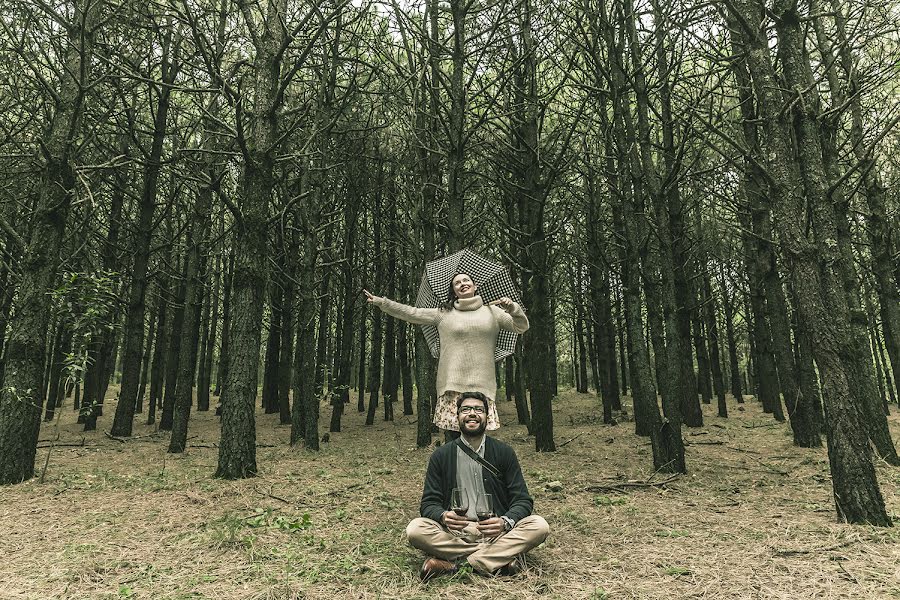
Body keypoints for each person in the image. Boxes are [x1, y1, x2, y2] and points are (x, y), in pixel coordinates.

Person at [405, 391, 549, 580]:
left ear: (487, 417)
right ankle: (497, 560)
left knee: (539, 525)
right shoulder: (441, 456)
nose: (472, 413)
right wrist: (443, 516)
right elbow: (428, 503)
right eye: (466, 409)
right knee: (415, 529)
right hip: (455, 533)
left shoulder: (504, 452)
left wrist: (504, 522)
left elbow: (522, 500)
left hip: (494, 532)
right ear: (457, 417)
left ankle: (457, 566)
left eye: (478, 409)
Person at [363, 272, 529, 436]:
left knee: (478, 440)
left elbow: (521, 326)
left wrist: (513, 308)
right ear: (454, 290)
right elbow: (412, 313)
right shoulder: (443, 313)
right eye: (457, 283)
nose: (462, 284)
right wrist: (381, 302)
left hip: (483, 385)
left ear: (475, 286)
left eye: (466, 280)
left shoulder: (493, 312)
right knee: (454, 442)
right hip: (452, 385)